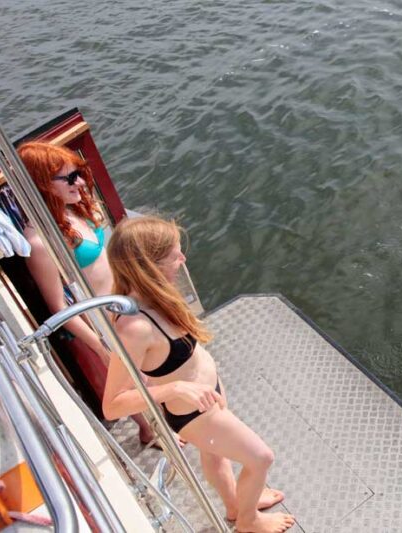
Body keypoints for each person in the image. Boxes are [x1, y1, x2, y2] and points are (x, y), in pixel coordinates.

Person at [101, 216, 295, 533]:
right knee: (260, 458)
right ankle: (248, 522)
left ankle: (236, 504)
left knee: (215, 456)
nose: (183, 259)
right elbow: (112, 405)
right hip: (192, 411)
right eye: (175, 255)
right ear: (149, 265)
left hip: (207, 394)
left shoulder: (158, 295)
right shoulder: (134, 328)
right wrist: (175, 388)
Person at [18, 142, 156, 445]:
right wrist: (100, 346)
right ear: (42, 184)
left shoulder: (75, 210)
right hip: (103, 319)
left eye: (78, 173)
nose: (79, 183)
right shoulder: (40, 242)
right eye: (69, 179)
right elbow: (58, 307)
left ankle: (162, 417)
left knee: (154, 362)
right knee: (130, 379)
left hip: (130, 301)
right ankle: (148, 429)